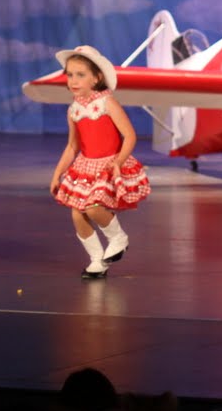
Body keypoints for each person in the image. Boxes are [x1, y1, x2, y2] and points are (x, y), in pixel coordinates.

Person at [47, 45, 148, 278]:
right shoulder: (74, 109)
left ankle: (118, 238)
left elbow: (129, 135)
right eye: (70, 75)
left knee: (93, 208)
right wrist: (57, 173)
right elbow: (72, 146)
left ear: (96, 78)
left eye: (80, 75)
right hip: (86, 167)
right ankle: (97, 261)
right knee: (77, 214)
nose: (73, 80)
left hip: (108, 165)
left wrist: (118, 162)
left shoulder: (107, 103)